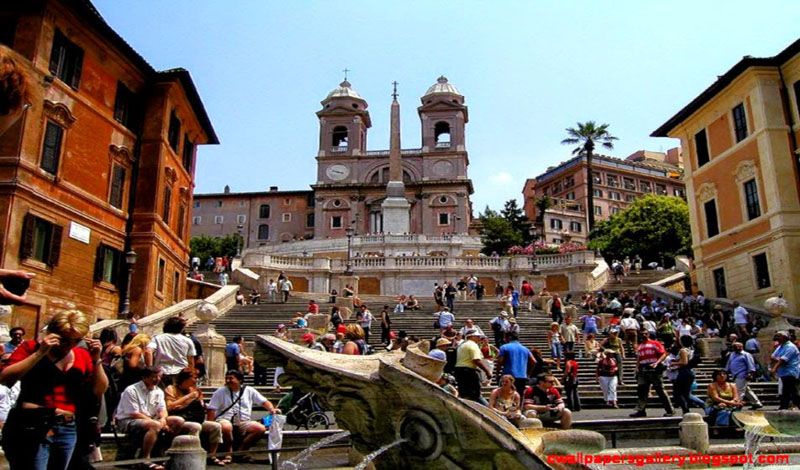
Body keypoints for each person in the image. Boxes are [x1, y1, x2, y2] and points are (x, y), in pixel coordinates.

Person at [0, 310, 107, 470]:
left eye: (76, 340)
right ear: (52, 333)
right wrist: (40, 353)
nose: (69, 345)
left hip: (67, 427)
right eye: (65, 340)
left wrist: (97, 359)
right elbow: (6, 378)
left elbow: (99, 389)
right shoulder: (32, 348)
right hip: (33, 424)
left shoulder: (82, 355)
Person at [115, 367, 197, 469]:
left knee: (178, 421)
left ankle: (162, 451)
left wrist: (163, 419)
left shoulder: (158, 391)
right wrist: (156, 422)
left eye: (159, 376)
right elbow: (134, 413)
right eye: (154, 377)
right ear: (145, 377)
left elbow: (162, 409)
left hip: (152, 419)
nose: (158, 379)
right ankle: (145, 459)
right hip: (128, 420)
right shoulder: (131, 390)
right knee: (155, 425)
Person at [207, 370, 279, 464]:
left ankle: (240, 452)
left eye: (231, 378)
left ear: (240, 380)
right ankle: (229, 452)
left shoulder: (249, 390)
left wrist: (272, 409)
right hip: (224, 419)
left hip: (244, 421)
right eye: (227, 378)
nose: (228, 380)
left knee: (260, 428)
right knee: (226, 426)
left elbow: (264, 402)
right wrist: (210, 424)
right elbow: (211, 409)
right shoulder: (220, 392)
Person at [629, 330, 674, 417]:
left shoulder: (655, 343)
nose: (644, 335)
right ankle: (641, 410)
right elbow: (639, 358)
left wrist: (657, 363)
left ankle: (670, 410)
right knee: (642, 390)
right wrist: (636, 367)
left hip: (654, 369)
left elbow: (663, 354)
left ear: (648, 335)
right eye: (642, 334)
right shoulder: (640, 346)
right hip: (643, 368)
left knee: (660, 390)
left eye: (646, 334)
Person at [146, 317, 196, 387]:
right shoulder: (188, 341)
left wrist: (150, 368)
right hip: (181, 374)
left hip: (162, 373)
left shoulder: (157, 338)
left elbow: (148, 351)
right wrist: (191, 374)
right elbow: (190, 361)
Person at [453, 330, 492, 404]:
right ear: (472, 337)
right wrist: (487, 371)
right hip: (468, 371)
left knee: (464, 394)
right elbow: (476, 360)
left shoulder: (461, 345)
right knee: (476, 394)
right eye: (477, 336)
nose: (479, 338)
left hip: (459, 370)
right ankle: (489, 410)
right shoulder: (473, 345)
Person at [496, 332, 537, 397]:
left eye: (505, 337)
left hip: (508, 376)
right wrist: (528, 373)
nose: (504, 339)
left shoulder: (504, 347)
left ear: (509, 338)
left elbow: (500, 362)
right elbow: (534, 361)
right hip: (522, 376)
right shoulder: (525, 349)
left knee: (505, 396)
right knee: (518, 396)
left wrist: (498, 373)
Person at [725, 342, 763, 410]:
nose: (738, 348)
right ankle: (756, 403)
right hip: (735, 375)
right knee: (746, 390)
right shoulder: (732, 354)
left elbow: (751, 364)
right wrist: (726, 370)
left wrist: (750, 373)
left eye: (739, 346)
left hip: (742, 375)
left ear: (742, 347)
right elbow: (729, 363)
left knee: (739, 390)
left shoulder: (746, 354)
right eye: (736, 346)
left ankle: (737, 405)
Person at [770, 330, 800, 410]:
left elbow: (783, 360)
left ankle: (784, 406)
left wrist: (774, 369)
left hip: (790, 371)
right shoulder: (781, 346)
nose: (777, 338)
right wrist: (779, 360)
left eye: (779, 336)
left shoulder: (791, 347)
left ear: (784, 337)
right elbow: (772, 357)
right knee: (789, 390)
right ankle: (784, 406)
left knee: (789, 390)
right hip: (783, 372)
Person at [669, 335, 696, 414]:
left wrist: (673, 363)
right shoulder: (690, 350)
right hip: (688, 372)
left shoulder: (683, 350)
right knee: (685, 392)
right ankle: (686, 408)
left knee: (677, 392)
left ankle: (685, 409)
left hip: (684, 372)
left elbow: (684, 362)